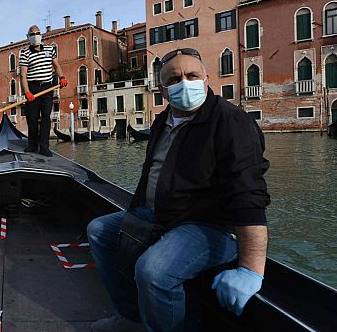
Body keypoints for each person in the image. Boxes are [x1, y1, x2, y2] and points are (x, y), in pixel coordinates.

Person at [87, 48, 270, 332]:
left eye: (192, 75)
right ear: (162, 90)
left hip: (211, 225)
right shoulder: (163, 121)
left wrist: (251, 269)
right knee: (99, 231)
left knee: (153, 271)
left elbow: (248, 195)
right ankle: (131, 317)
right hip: (161, 215)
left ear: (206, 79)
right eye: (174, 79)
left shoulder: (232, 121)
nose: (184, 82)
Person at [20, 25, 67, 157]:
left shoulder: (49, 49)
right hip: (33, 88)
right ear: (28, 37)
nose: (35, 35)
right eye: (32, 34)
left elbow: (56, 65)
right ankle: (32, 144)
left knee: (46, 117)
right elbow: (23, 75)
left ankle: (44, 146)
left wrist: (62, 77)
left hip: (48, 87)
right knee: (32, 118)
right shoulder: (24, 53)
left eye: (37, 33)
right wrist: (27, 92)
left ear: (41, 35)